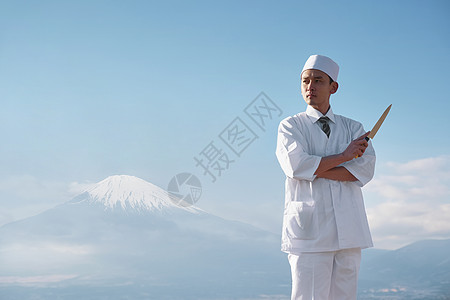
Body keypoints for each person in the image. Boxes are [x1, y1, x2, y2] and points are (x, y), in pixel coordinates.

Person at [275, 54, 375, 300]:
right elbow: (295, 166)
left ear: (333, 87)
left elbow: (364, 170)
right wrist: (344, 156)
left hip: (349, 231)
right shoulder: (290, 126)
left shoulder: (354, 128)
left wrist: (315, 169)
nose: (310, 87)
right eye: (305, 81)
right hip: (309, 232)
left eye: (318, 80)